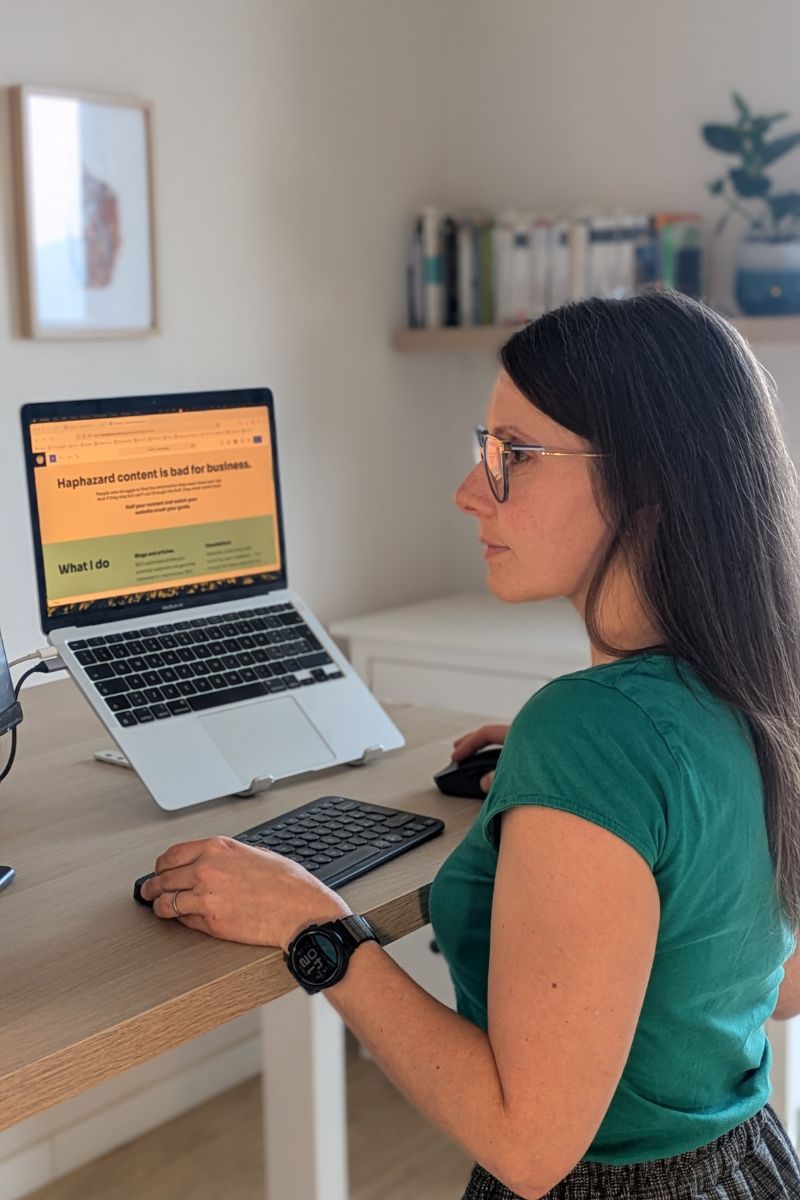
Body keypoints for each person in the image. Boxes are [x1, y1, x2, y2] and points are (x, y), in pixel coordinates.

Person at [140, 290, 800, 1199]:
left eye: (513, 455)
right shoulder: (754, 682)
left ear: (646, 484)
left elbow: (527, 1147)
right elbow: (773, 981)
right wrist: (582, 814)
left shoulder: (594, 730)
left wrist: (312, 925)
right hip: (748, 1170)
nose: (467, 490)